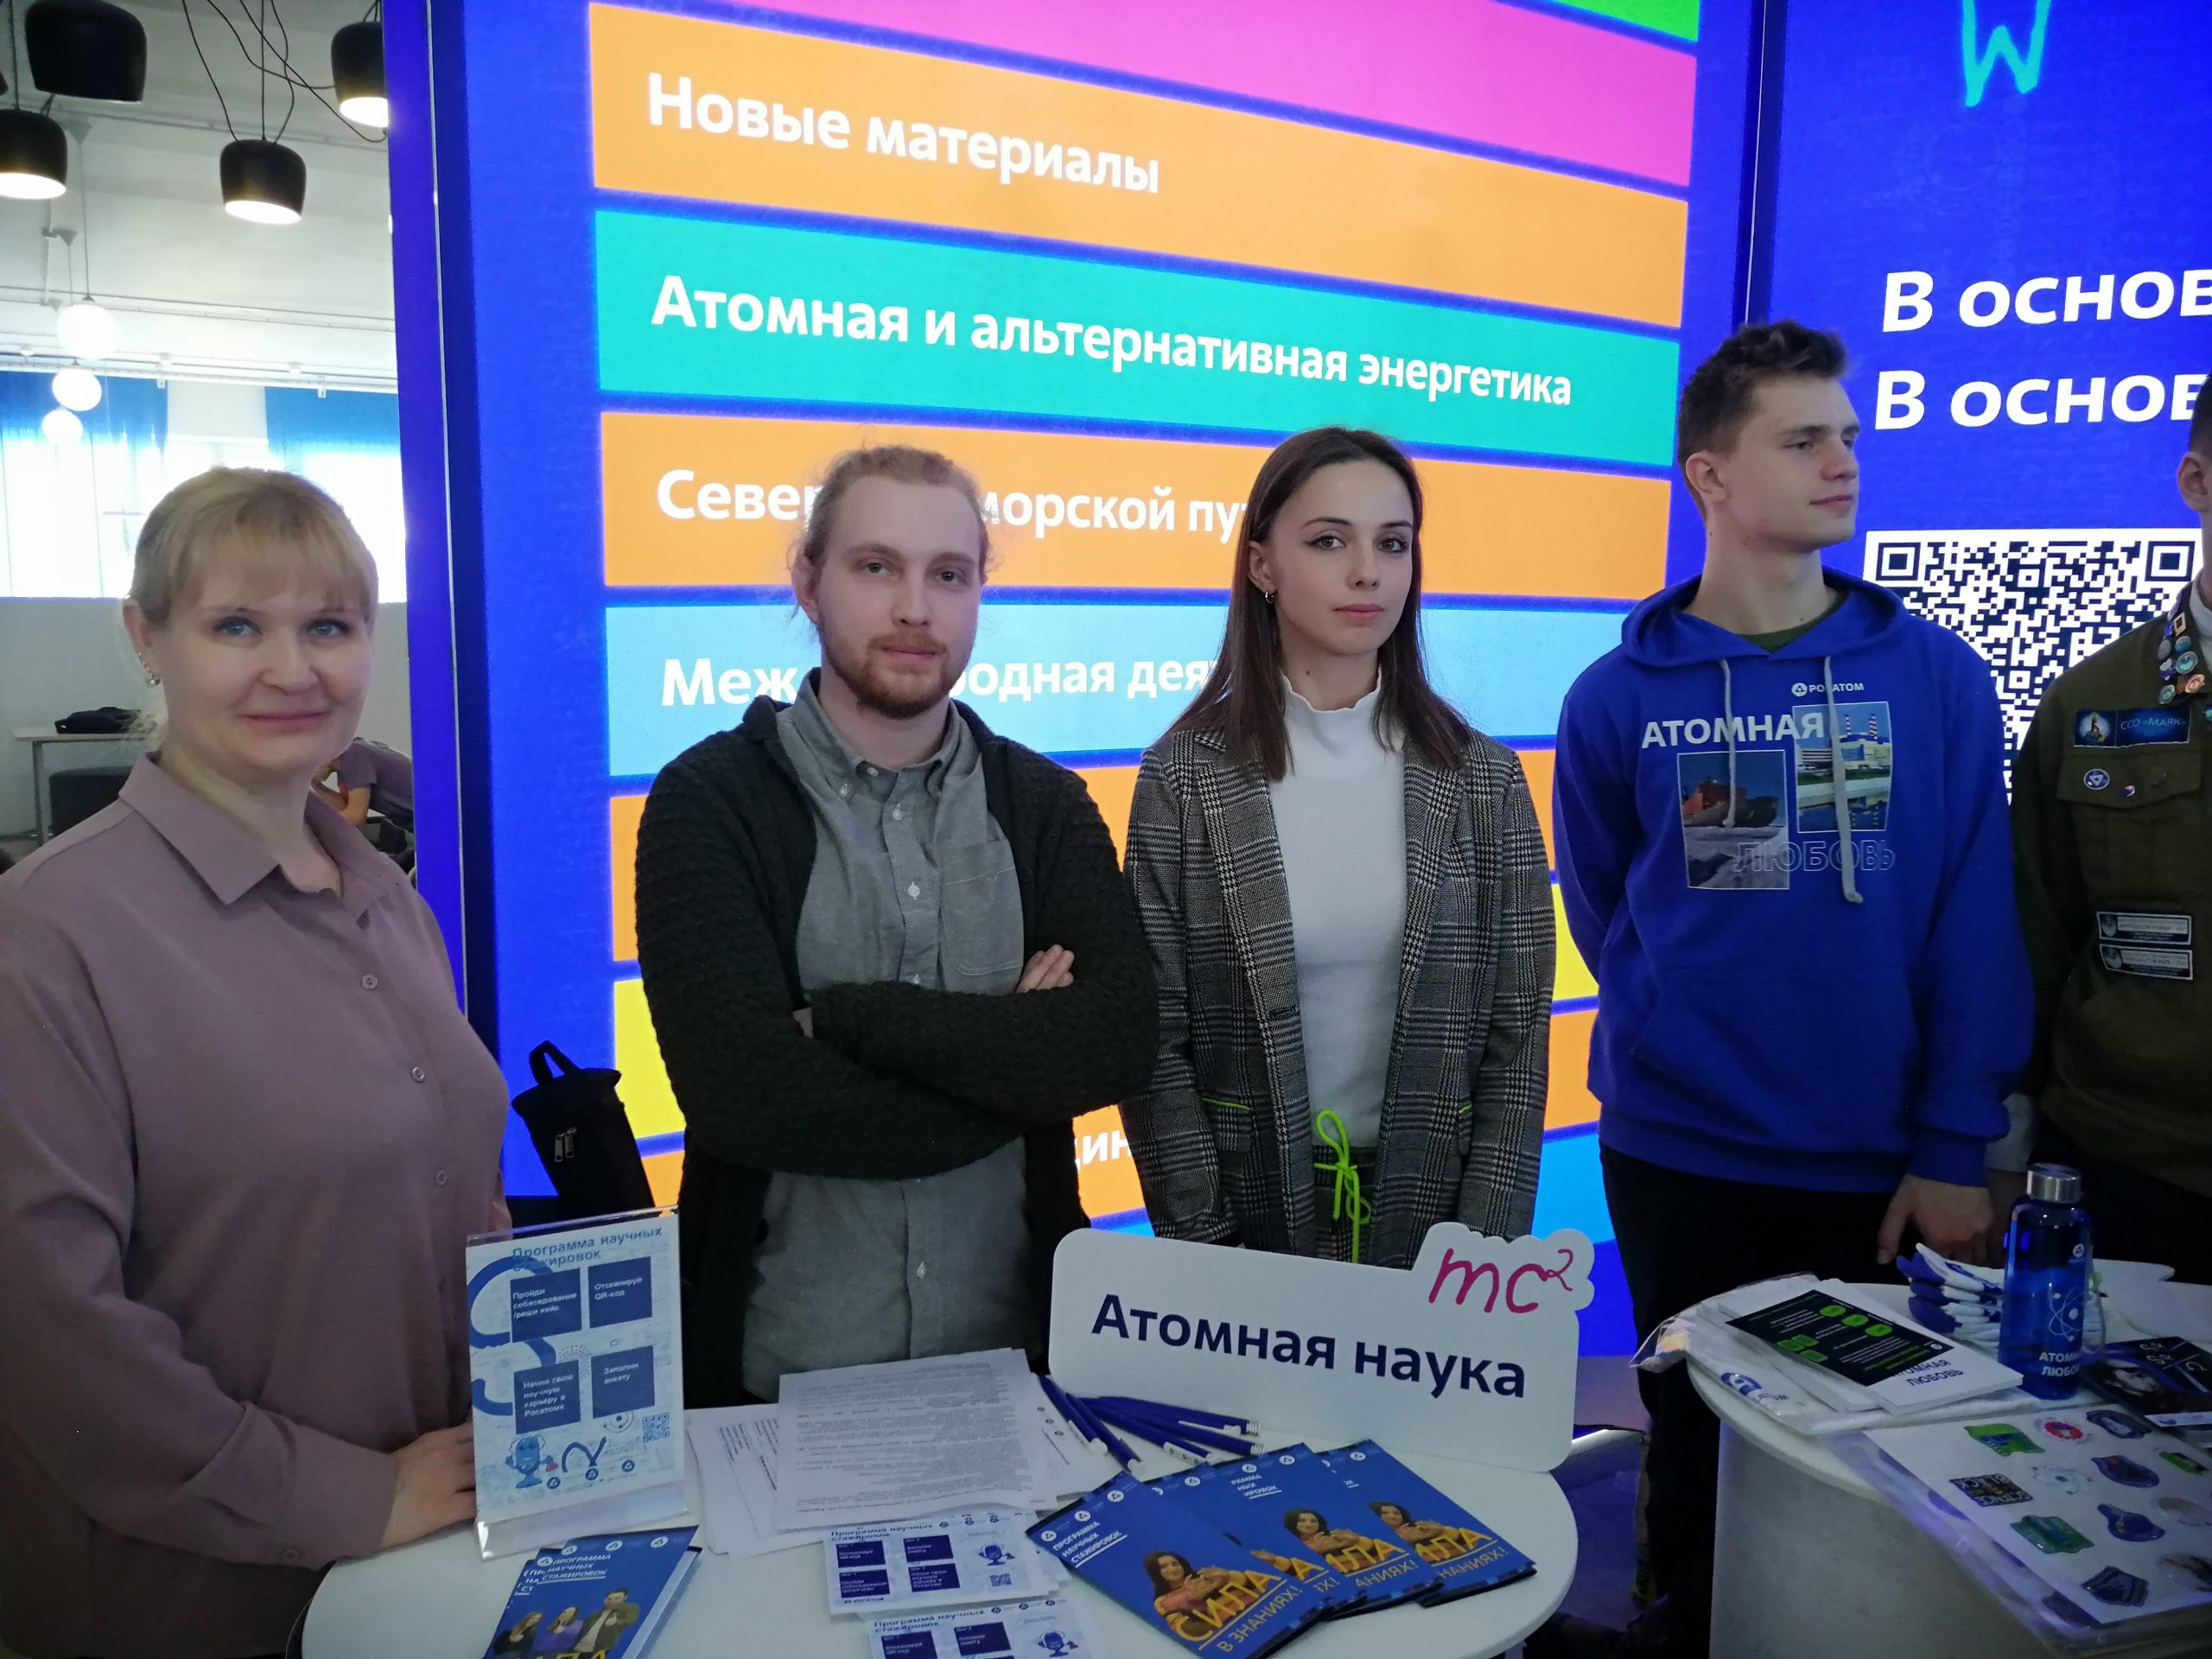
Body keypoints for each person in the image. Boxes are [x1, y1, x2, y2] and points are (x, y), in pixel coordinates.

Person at [1540, 322, 2031, 1657]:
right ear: (1710, 475)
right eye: (1803, 439)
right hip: (1676, 1154)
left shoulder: (1933, 677)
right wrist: (1676, 1026)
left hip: (1876, 1168)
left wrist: (1954, 1145)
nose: (1843, 462)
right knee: (1695, 1448)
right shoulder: (1617, 695)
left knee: (1872, 1475)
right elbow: (1609, 904)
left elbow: (1973, 921)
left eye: (1848, 437)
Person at [0, 469, 507, 1659]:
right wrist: (344, 1497)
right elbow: (50, 1334)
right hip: (196, 1597)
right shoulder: (50, 935)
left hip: (422, 1560)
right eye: (236, 626)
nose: (292, 670)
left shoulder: (385, 898)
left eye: (328, 627)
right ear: (147, 639)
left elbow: (446, 1194)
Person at [633, 445, 1157, 1406]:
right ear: (808, 582)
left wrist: (849, 1021)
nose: (916, 608)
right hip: (771, 1393)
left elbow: (1116, 1042)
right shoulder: (708, 803)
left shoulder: (1046, 807)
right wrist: (1020, 1056)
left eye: (948, 575)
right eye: (876, 567)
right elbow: (745, 1098)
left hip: (1020, 1381)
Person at [1121, 428, 1554, 1268]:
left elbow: (1517, 1041)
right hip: (1246, 1229)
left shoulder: (1485, 780)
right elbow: (1157, 1044)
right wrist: (1205, 1248)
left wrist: (1482, 1255)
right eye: (1329, 541)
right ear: (1262, 565)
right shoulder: (1182, 779)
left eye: (1392, 544)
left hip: (1439, 1230)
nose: (1368, 572)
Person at [2007, 378, 2212, 1281]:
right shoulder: (2091, 703)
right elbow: (2032, 934)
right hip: (2129, 1164)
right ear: (2196, 482)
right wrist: (1999, 1145)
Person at [572, 1587, 639, 1656]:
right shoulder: (595, 1614)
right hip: (577, 1650)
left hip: (597, 1652)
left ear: (625, 1598)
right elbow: (582, 1631)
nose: (612, 1601)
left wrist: (616, 1621)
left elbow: (630, 1619)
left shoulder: (629, 1608)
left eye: (617, 1598)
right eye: (609, 1599)